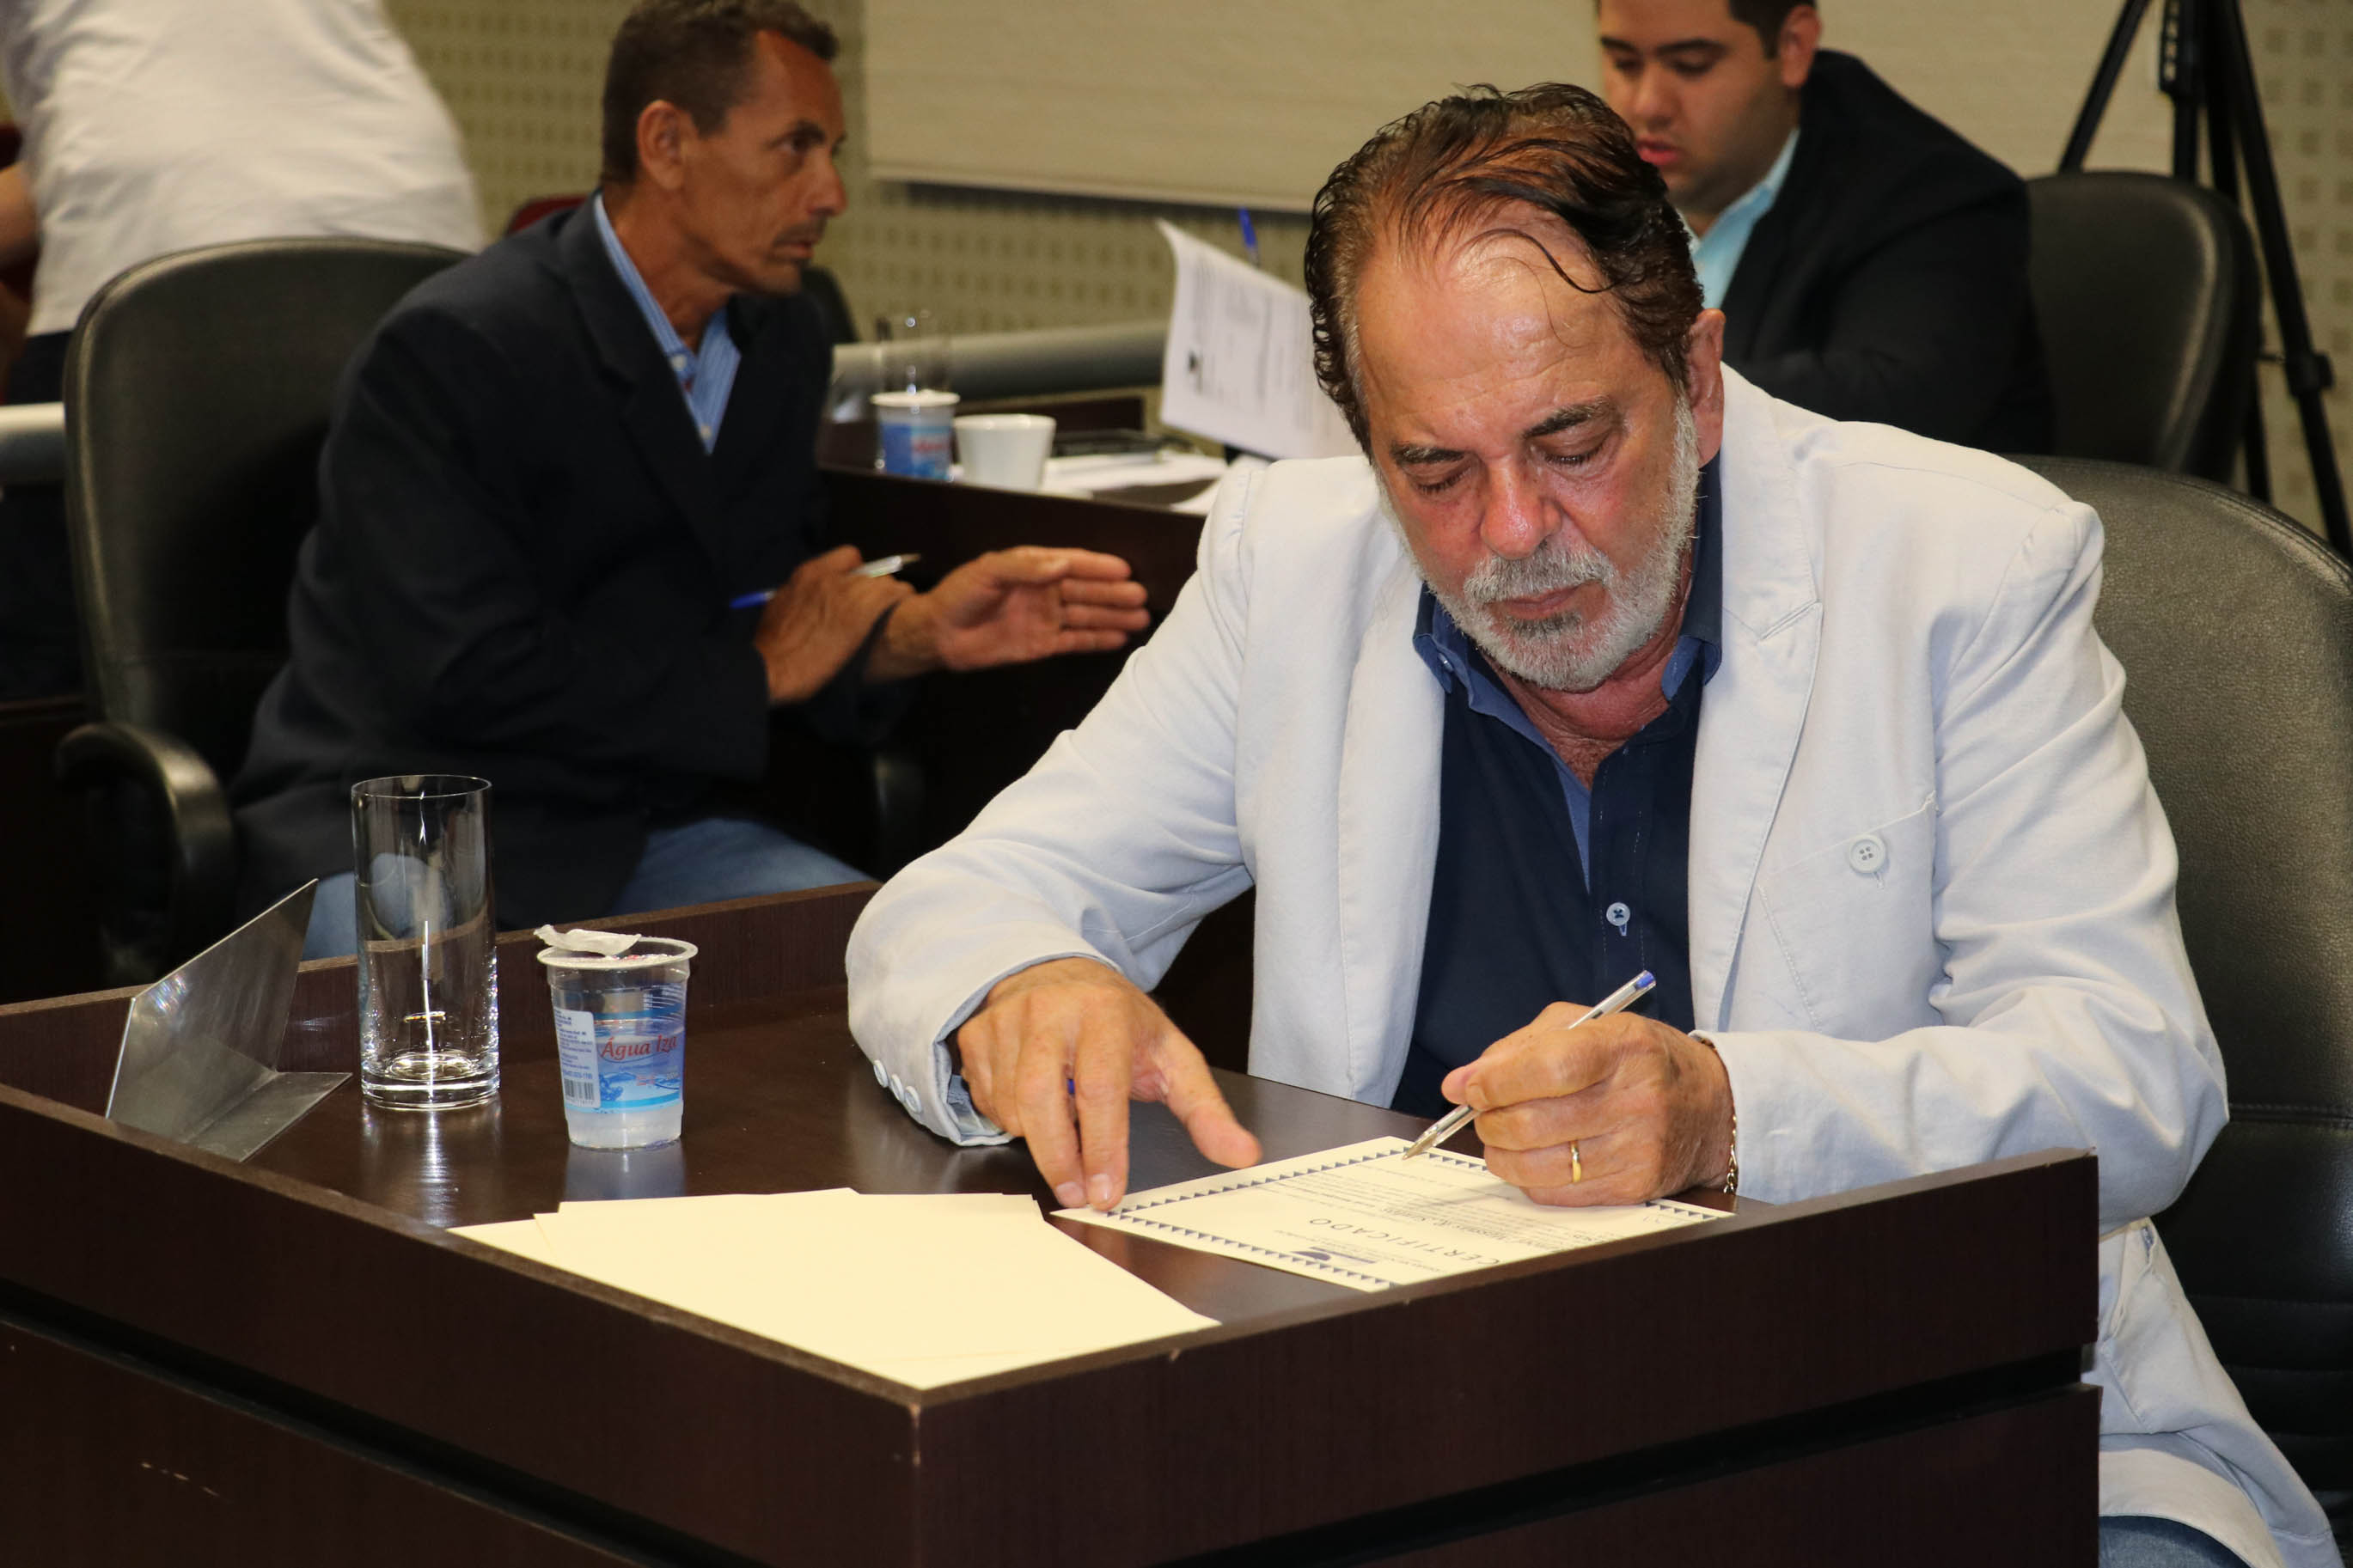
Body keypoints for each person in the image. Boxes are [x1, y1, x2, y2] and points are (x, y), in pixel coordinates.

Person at [846, 83, 2334, 1568]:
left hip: (1926, 1419)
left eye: (1568, 443)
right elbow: (959, 899)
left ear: (1696, 381)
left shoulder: (1961, 569)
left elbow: (2130, 1076)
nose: (1509, 533)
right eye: (1434, 468)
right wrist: (1024, 981)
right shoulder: (1288, 569)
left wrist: (1725, 1111)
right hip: (1442, 1435)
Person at [231, 0, 1150, 955]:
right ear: (667, 143)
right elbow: (463, 673)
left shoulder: (781, 335)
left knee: (907, 957)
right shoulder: (459, 346)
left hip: (641, 823)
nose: (831, 193)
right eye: (795, 148)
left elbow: (763, 606)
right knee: (420, 1010)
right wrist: (757, 673)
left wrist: (905, 636)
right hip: (418, 815)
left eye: (832, 153)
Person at [0, 0, 486, 700]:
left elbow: (145, 134)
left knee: (65, 675)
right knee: (394, 645)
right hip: (409, 219)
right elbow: (147, 123)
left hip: (154, 248)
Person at [1593, 0, 2051, 452]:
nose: (1647, 105)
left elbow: (1897, 402)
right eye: (1624, 62)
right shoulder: (1595, 180)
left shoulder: (1934, 196)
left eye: (1691, 65)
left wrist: (1621, 385)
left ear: (1793, 46)